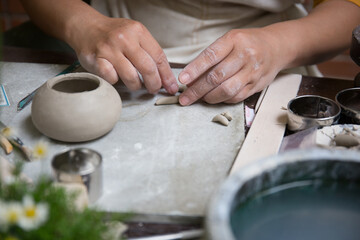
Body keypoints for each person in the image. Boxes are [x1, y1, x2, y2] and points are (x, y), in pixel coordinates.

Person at [20, 0, 360, 106]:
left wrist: (279, 46)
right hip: (114, 39)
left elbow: (350, 8)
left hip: (273, 53)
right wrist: (83, 25)